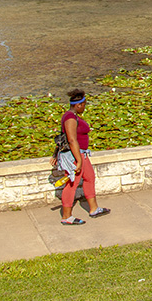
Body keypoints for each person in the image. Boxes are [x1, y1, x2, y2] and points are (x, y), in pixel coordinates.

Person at [55, 89, 110, 225]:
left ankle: (94, 209)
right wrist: (78, 160)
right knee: (72, 184)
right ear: (78, 105)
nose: (85, 107)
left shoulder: (73, 116)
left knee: (89, 178)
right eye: (84, 105)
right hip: (75, 155)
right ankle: (67, 217)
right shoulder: (70, 118)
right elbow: (72, 140)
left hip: (82, 154)